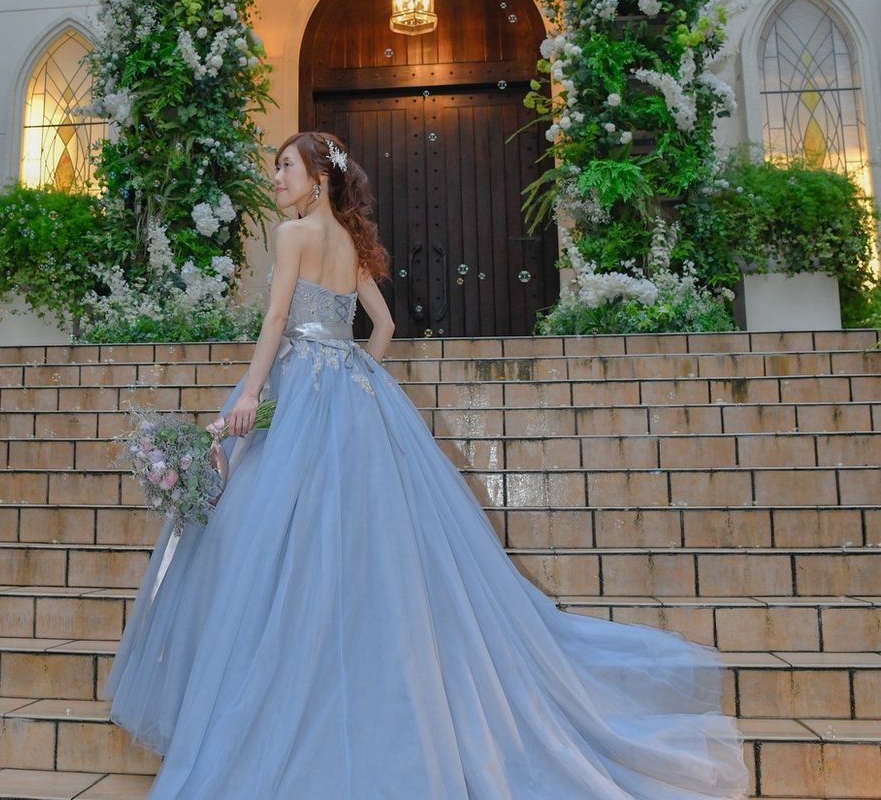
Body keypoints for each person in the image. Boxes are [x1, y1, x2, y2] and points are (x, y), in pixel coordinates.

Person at [106, 131, 748, 799]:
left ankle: (286, 689)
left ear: (318, 177)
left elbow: (274, 321)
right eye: (276, 169)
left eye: (285, 167)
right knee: (358, 542)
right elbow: (383, 327)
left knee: (269, 539)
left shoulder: (293, 235)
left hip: (297, 387)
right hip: (352, 391)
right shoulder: (349, 243)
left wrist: (249, 395)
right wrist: (355, 375)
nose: (276, 178)